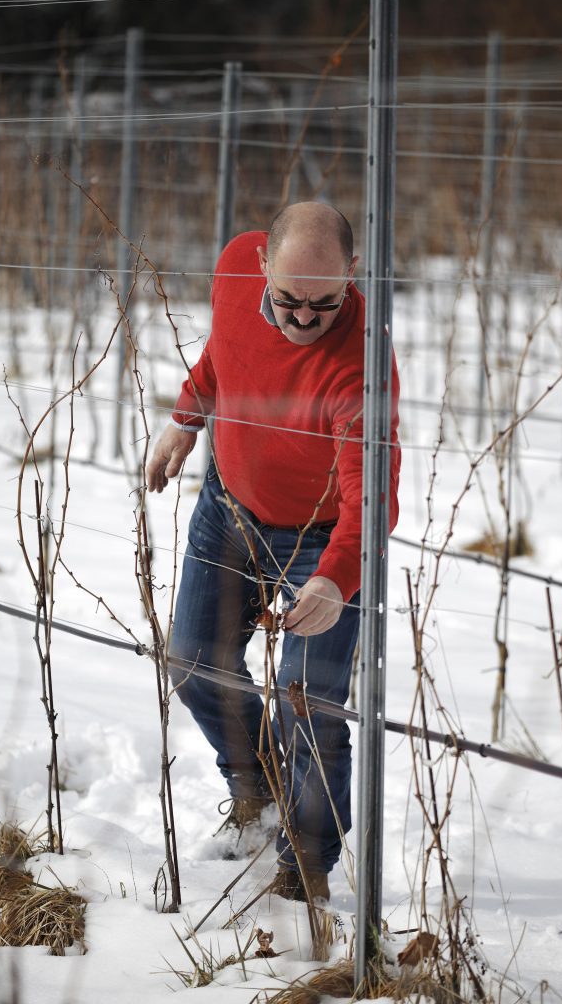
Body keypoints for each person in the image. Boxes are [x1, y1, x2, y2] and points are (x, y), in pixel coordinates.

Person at [146, 201, 400, 903]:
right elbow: (224, 350)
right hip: (229, 505)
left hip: (320, 537)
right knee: (192, 661)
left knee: (307, 702)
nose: (303, 317)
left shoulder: (360, 365)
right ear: (261, 265)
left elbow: (372, 498)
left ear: (352, 273)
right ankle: (255, 784)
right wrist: (187, 417)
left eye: (323, 302)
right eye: (287, 299)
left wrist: (336, 580)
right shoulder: (235, 265)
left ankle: (304, 869)